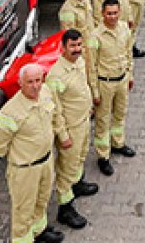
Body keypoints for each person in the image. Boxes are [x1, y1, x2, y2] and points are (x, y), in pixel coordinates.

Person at [0, 64, 63, 243]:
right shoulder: (10, 111)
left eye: (38, 80)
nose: (35, 86)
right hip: (25, 170)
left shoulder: (46, 93)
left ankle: (39, 232)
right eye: (30, 82)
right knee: (23, 210)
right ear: (20, 83)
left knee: (42, 200)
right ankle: (23, 239)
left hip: (46, 161)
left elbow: (55, 116)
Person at [47, 30, 95, 230]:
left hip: (83, 121)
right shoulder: (56, 75)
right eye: (72, 46)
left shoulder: (80, 62)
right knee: (66, 169)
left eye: (79, 45)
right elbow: (56, 110)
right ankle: (65, 209)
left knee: (81, 156)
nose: (77, 50)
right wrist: (63, 135)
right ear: (63, 47)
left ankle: (78, 184)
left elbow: (83, 87)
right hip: (70, 128)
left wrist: (90, 105)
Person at [88, 0, 137, 177]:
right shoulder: (95, 37)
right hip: (105, 83)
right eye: (109, 13)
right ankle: (103, 156)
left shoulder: (124, 28)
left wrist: (130, 75)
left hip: (122, 80)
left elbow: (128, 53)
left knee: (120, 114)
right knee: (102, 120)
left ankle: (118, 143)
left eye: (115, 13)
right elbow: (91, 67)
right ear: (102, 14)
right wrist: (94, 91)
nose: (112, 16)